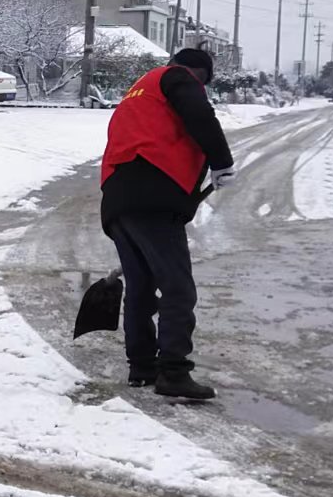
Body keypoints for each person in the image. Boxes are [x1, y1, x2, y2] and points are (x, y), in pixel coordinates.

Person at [99, 48, 236, 401]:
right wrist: (222, 161)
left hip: (118, 197)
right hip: (150, 196)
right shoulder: (176, 77)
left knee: (142, 286)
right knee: (178, 288)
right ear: (198, 73)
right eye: (203, 80)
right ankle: (173, 371)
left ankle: (141, 366)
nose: (201, 87)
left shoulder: (141, 91)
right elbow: (200, 116)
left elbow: (160, 138)